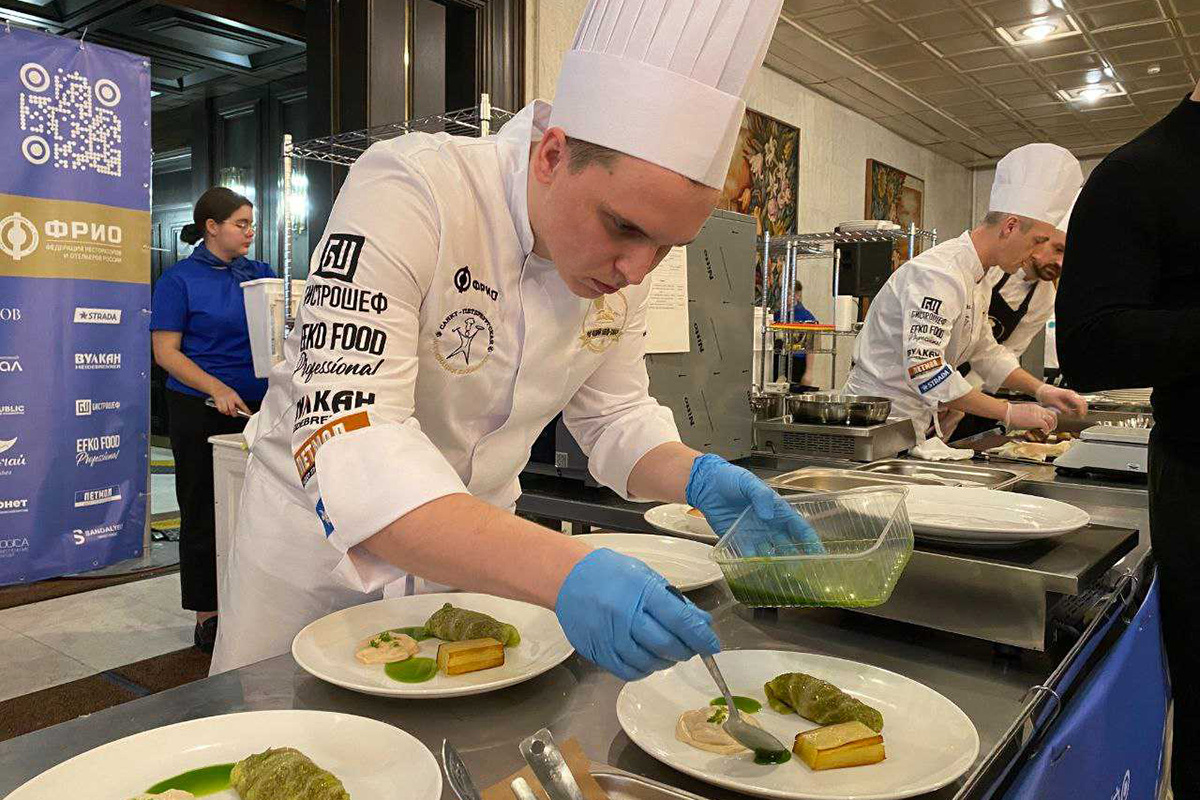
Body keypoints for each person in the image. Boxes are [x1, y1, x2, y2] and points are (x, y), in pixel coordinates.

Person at [212, 0, 820, 678]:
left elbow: (616, 419)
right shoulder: (411, 188)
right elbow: (355, 443)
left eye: (667, 247)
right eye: (623, 228)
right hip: (318, 565)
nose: (636, 270)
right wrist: (566, 570)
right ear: (552, 155)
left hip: (475, 563)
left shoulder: (627, 266)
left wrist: (702, 478)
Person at [1056, 82, 1200, 795]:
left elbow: (986, 356)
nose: (1051, 259)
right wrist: (1010, 406)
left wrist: (1024, 395)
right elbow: (929, 368)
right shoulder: (1145, 173)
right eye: (1048, 244)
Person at [844, 144, 1087, 442]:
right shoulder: (939, 273)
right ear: (1010, 227)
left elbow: (986, 352)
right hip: (875, 425)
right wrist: (1008, 412)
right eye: (1038, 241)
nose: (1035, 254)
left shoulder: (978, 277)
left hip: (913, 424)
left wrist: (1041, 390)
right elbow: (926, 369)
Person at [149, 187, 274, 653]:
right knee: (203, 510)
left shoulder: (260, 275)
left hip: (259, 410)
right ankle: (209, 614)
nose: (250, 231)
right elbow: (165, 353)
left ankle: (258, 601)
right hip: (199, 410)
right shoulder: (178, 281)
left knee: (260, 508)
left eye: (251, 223)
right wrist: (216, 388)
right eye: (241, 223)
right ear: (212, 227)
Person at [952, 208, 1069, 440]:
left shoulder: (1044, 299)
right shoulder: (977, 269)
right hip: (928, 392)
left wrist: (1042, 390)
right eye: (1057, 249)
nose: (1061, 263)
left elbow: (994, 353)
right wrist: (953, 395)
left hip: (969, 390)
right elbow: (926, 367)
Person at [773, 280, 818, 386]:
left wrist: (809, 372)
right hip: (777, 359)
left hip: (797, 361)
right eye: (782, 294)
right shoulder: (776, 315)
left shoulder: (806, 317)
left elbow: (811, 347)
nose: (784, 297)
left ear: (797, 295)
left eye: (788, 294)